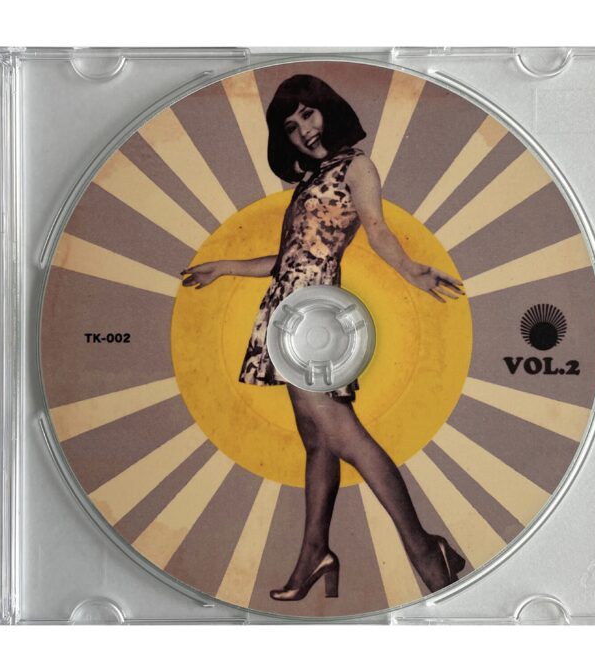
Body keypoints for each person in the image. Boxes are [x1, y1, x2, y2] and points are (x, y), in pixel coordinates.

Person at [181, 74, 465, 601]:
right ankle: (315, 552)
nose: (303, 131)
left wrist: (412, 270)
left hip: (316, 314)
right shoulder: (311, 180)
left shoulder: (357, 166)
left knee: (342, 434)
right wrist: (223, 267)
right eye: (291, 126)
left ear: (328, 109)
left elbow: (376, 229)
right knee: (316, 440)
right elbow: (288, 259)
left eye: (308, 114)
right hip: (289, 311)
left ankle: (424, 546)